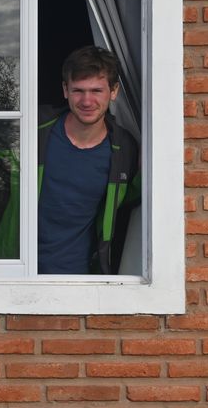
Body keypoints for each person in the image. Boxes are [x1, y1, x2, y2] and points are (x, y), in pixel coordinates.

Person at [37, 46, 139, 274]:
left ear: (114, 92)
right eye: (78, 90)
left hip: (81, 276)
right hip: (15, 269)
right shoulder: (34, 131)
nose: (86, 100)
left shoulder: (124, 149)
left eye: (96, 90)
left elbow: (132, 199)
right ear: (65, 90)